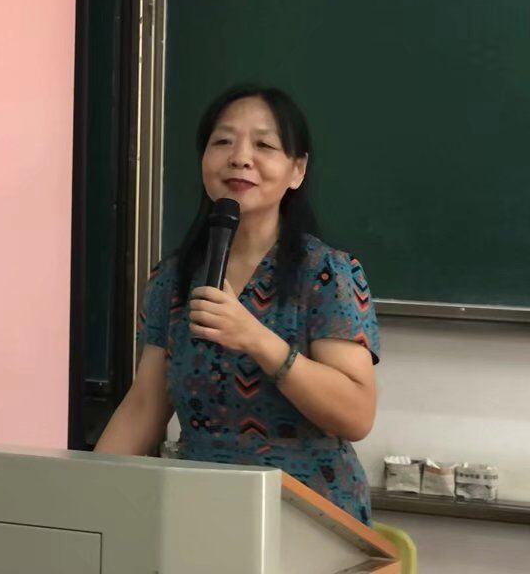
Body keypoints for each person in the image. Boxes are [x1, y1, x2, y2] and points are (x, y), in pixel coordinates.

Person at [95, 85, 381, 524]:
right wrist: (88, 492)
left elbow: (355, 415)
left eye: (264, 145)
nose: (240, 157)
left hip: (309, 517)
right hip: (202, 509)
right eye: (223, 141)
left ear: (297, 170)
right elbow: (145, 404)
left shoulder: (326, 274)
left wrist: (256, 339)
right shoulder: (173, 278)